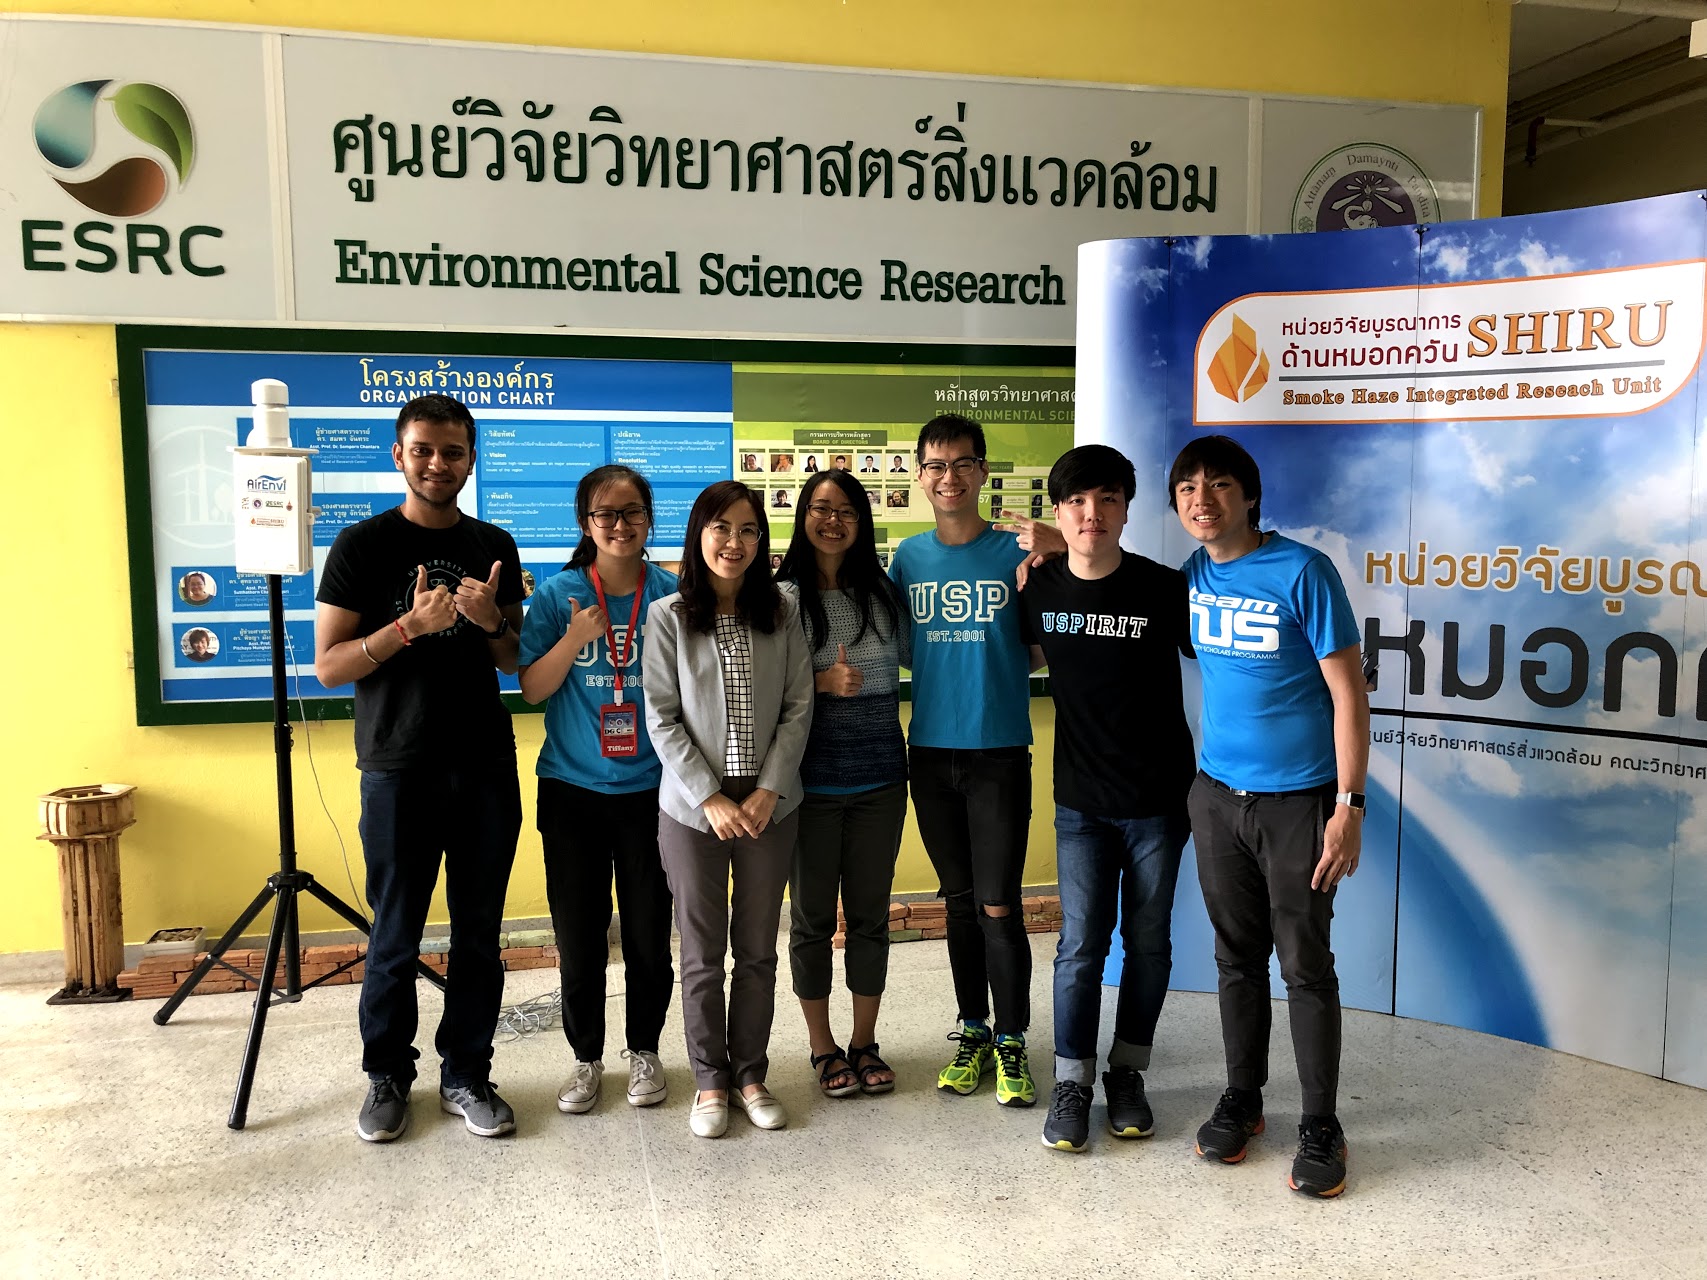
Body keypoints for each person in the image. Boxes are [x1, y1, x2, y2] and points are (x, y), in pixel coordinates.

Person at [314, 393, 525, 1144]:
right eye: (424, 450)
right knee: (395, 934)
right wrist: (409, 626)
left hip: (484, 768)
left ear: (471, 459)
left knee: (478, 933)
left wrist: (489, 618)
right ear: (399, 455)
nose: (439, 463)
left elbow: (511, 658)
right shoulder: (361, 545)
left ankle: (466, 1073)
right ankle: (387, 1076)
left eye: (454, 452)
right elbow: (330, 667)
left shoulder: (492, 543)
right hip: (398, 767)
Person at [1169, 434, 1367, 1199]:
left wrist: (1347, 806)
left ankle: (1321, 1122)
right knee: (1234, 960)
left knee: (1305, 966)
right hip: (1217, 798)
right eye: (1187, 487)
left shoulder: (1302, 571)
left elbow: (1349, 694)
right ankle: (1243, 1098)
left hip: (1301, 802)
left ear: (1248, 496)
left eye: (1218, 484)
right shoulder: (1191, 574)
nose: (1201, 498)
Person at [1017, 445, 1194, 1154]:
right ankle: (1071, 1082)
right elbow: (1013, 657)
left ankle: (1127, 1074)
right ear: (1059, 513)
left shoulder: (1161, 588)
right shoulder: (1038, 587)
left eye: (1107, 500)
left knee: (1147, 946)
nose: (1092, 514)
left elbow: (1222, 660)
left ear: (1125, 508)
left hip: (1158, 801)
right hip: (1080, 804)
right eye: (1077, 503)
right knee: (1079, 948)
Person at [643, 480, 814, 1138]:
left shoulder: (785, 607)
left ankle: (750, 1073)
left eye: (747, 530)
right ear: (698, 536)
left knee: (758, 951)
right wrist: (709, 796)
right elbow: (660, 718)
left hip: (772, 804)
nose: (734, 542)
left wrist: (768, 788)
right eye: (720, 528)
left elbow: (800, 703)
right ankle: (709, 1080)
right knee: (702, 954)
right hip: (693, 811)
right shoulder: (668, 615)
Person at [889, 413, 1043, 1108]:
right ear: (919, 478)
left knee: (998, 905)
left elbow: (1045, 644)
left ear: (982, 473)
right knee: (955, 905)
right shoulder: (908, 560)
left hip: (999, 754)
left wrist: (1059, 549)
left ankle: (1012, 1040)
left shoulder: (1018, 552)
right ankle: (973, 1029)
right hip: (930, 753)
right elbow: (891, 651)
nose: (947, 476)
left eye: (960, 464)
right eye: (934, 465)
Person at [518, 465, 679, 1118]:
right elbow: (532, 688)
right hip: (573, 793)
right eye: (604, 514)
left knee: (647, 936)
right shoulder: (559, 595)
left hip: (652, 794)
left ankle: (644, 1051)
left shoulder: (670, 593)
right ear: (585, 523)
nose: (619, 525)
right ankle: (585, 1059)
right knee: (579, 938)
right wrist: (574, 639)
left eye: (631, 512)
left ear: (648, 519)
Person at [776, 470, 909, 1100]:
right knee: (808, 921)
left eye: (846, 510)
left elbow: (931, 650)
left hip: (882, 778)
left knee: (869, 917)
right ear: (802, 517)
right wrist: (820, 685)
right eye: (820, 508)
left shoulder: (884, 593)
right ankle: (821, 1046)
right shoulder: (779, 597)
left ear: (863, 522)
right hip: (808, 787)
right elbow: (757, 689)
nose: (832, 520)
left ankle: (863, 1041)